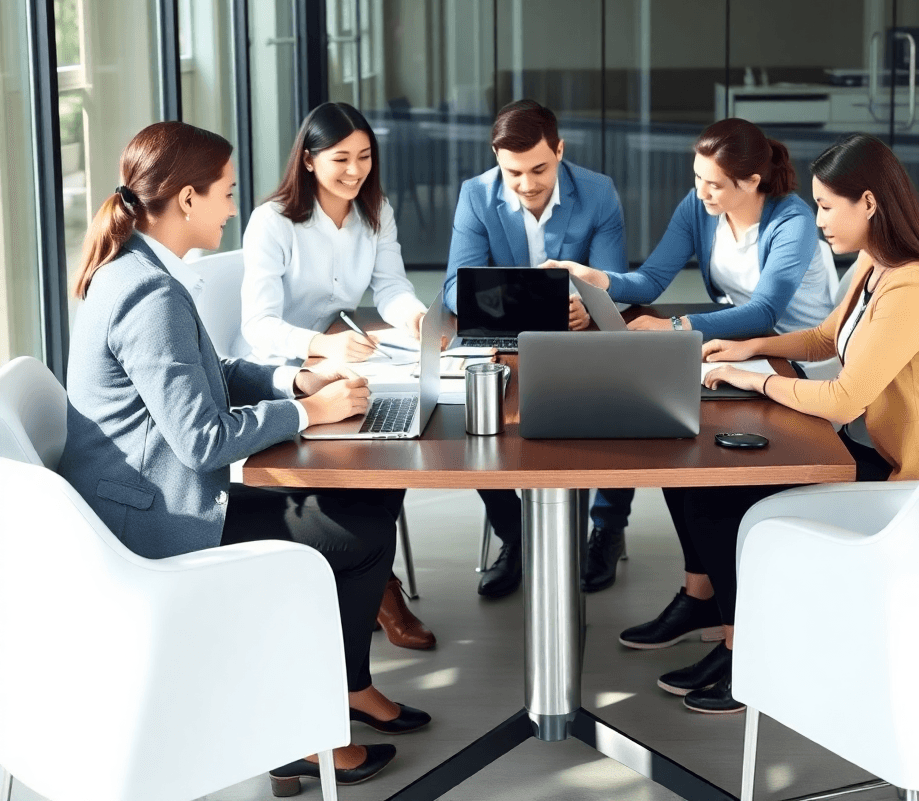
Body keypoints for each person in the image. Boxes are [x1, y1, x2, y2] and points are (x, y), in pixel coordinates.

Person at [59, 123, 432, 792]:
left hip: (157, 491)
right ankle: (293, 732)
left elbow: (212, 369)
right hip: (157, 519)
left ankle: (340, 694)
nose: (235, 207)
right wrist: (309, 414)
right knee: (360, 532)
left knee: (369, 503)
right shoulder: (148, 293)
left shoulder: (146, 271)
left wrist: (296, 382)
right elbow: (201, 439)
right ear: (187, 199)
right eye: (226, 193)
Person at [657, 133, 919, 713]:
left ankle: (746, 658)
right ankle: (734, 636)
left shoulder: (915, 284)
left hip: (903, 480)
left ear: (869, 203)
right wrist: (748, 344)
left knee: (718, 498)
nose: (817, 221)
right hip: (864, 450)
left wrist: (756, 379)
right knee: (701, 480)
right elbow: (827, 337)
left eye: (827, 207)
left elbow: (841, 400)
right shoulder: (876, 263)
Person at [546, 117, 834, 600]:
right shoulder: (701, 207)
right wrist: (599, 279)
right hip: (740, 348)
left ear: (752, 183)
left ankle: (707, 596)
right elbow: (654, 278)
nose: (701, 191)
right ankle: (698, 594)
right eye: (697, 178)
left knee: (687, 441)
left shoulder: (792, 220)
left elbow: (765, 310)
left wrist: (674, 328)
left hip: (795, 357)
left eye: (715, 184)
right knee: (667, 424)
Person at [241, 101, 436, 650]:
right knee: (366, 447)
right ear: (308, 160)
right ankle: (377, 583)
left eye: (365, 157)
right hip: (280, 369)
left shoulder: (375, 212)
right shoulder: (272, 222)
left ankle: (374, 574)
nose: (356, 171)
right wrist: (321, 346)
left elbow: (391, 286)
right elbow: (258, 327)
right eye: (341, 159)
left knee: (399, 433)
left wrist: (415, 316)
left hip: (340, 359)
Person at [445, 99, 627, 598]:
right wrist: (522, 305)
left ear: (560, 150)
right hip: (509, 340)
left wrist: (587, 306)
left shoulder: (598, 193)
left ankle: (608, 529)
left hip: (580, 339)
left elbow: (611, 281)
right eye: (513, 172)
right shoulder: (477, 196)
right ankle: (516, 536)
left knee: (622, 408)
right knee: (480, 423)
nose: (526, 184)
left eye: (539, 169)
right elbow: (451, 289)